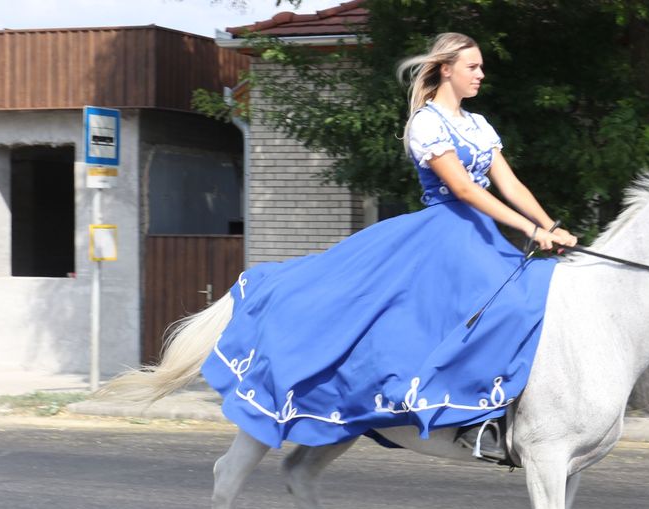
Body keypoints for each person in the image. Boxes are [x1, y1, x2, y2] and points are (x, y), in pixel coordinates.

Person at [200, 32, 577, 462]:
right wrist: (531, 230)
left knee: (525, 300)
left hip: (481, 236)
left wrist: (551, 225)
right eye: (473, 67)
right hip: (444, 235)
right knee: (488, 310)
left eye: (481, 67)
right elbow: (465, 189)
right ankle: (462, 417)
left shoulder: (478, 125)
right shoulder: (428, 122)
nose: (481, 74)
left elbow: (509, 183)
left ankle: (499, 410)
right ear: (446, 69)